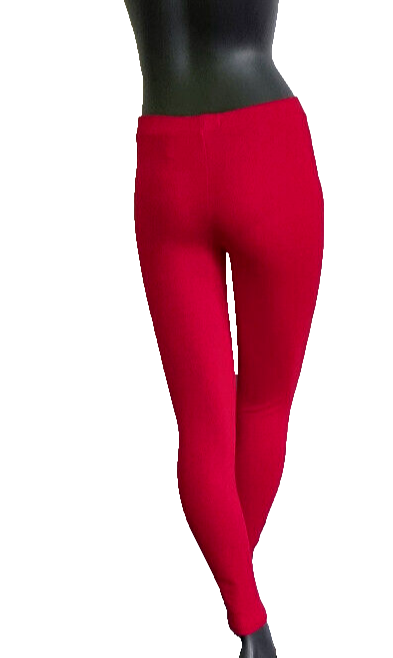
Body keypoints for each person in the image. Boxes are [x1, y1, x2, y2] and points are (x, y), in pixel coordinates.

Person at [124, 1, 324, 655]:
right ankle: (245, 604)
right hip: (267, 145)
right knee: (263, 406)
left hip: (165, 159)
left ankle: (251, 624)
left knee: (201, 429)